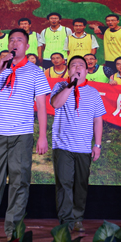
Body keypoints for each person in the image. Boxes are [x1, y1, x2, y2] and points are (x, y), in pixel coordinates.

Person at [0, 28, 50, 239]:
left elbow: (42, 106)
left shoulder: (35, 72)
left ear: (27, 46)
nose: (14, 43)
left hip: (22, 134)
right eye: (11, 40)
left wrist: (42, 136)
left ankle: (13, 230)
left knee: (19, 182)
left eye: (19, 40)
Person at [50, 56, 105, 232]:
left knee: (80, 184)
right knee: (64, 183)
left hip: (84, 147)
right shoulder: (60, 86)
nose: (77, 67)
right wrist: (70, 85)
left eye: (81, 65)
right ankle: (66, 221)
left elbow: (98, 120)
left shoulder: (93, 92)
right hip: (62, 145)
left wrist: (97, 145)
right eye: (73, 65)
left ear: (87, 70)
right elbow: (56, 104)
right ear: (68, 70)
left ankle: (77, 218)